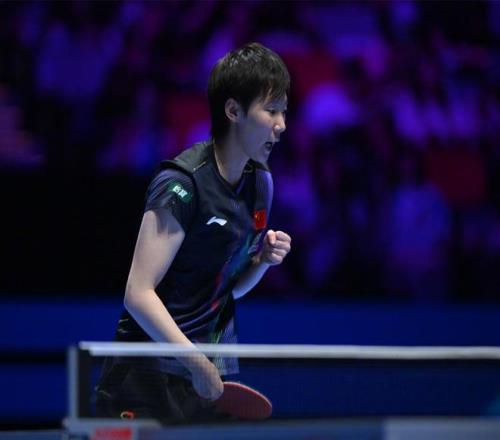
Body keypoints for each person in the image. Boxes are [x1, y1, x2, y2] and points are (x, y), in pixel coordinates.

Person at [95, 42, 292, 423]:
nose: (281, 124)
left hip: (203, 380)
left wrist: (263, 262)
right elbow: (138, 293)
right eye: (271, 110)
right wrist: (194, 359)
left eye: (284, 111)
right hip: (143, 377)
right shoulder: (182, 184)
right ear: (233, 111)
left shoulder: (261, 184)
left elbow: (228, 290)